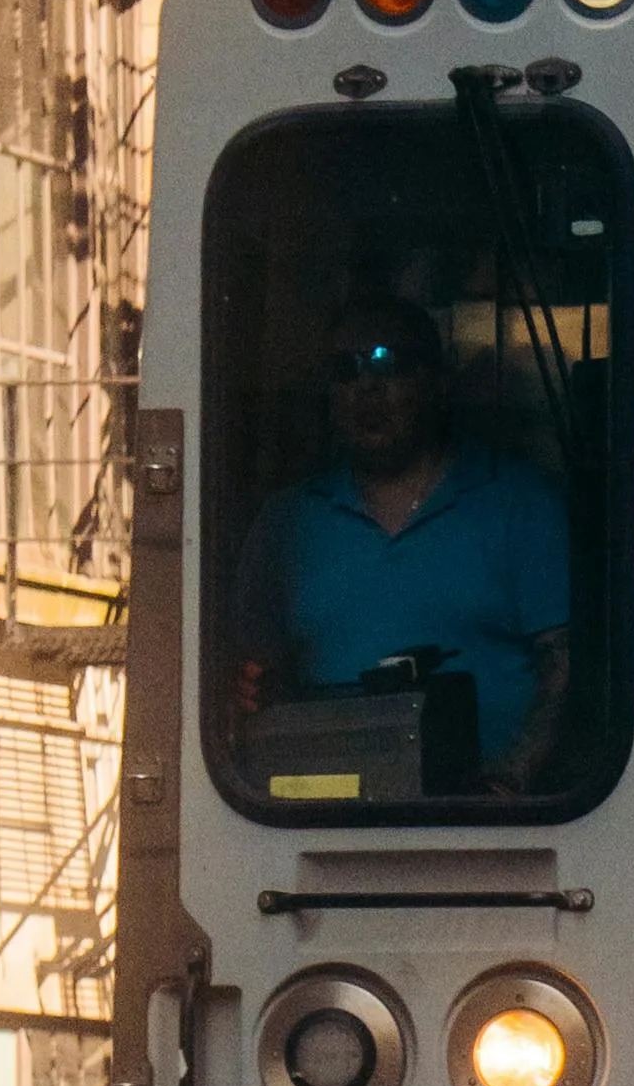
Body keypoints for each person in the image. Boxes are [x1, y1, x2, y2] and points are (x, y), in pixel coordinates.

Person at [241, 306, 575, 791]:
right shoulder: (286, 521)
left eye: (388, 363)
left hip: (496, 828)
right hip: (324, 822)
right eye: (345, 370)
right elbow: (248, 685)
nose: (367, 387)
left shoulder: (518, 503)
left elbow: (564, 673)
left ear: (437, 383)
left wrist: (508, 786)